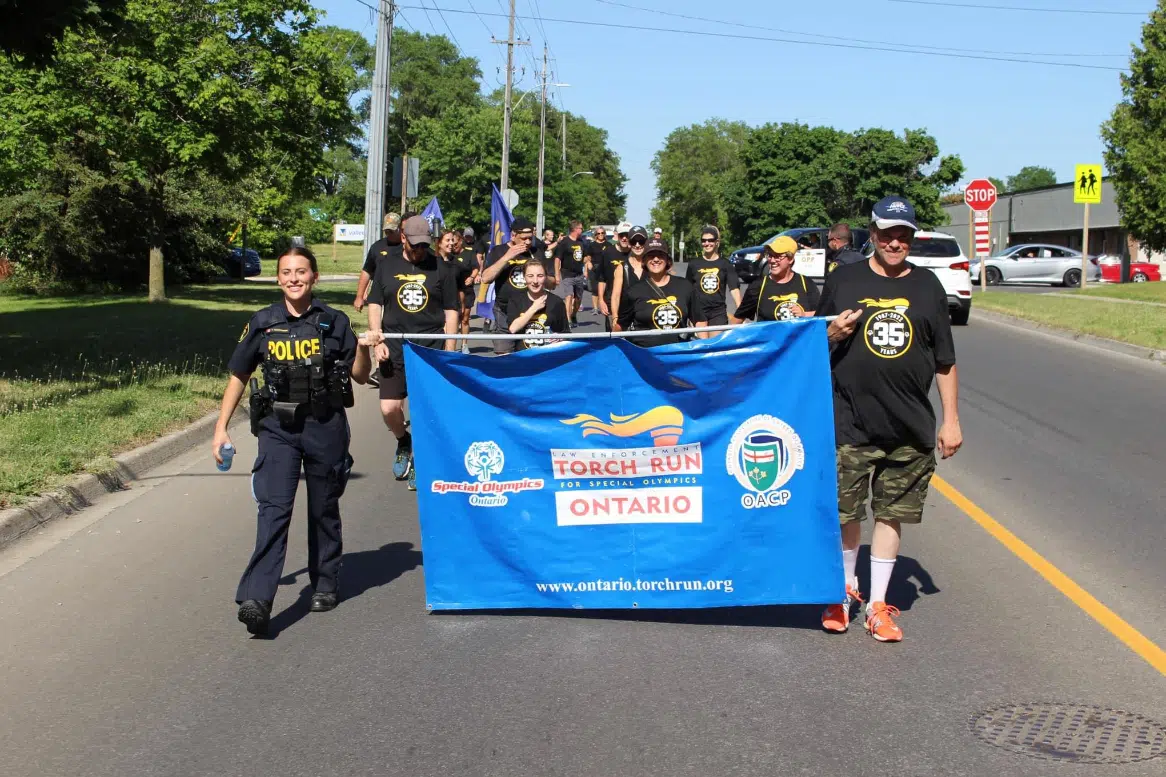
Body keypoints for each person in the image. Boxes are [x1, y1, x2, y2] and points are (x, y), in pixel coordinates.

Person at [816, 195, 962, 642]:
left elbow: (945, 360)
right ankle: (843, 593)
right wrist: (831, 334)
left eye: (904, 234)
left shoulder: (928, 287)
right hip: (850, 421)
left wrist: (950, 419)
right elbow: (811, 345)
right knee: (846, 511)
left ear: (911, 237)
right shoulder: (844, 279)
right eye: (887, 233)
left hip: (909, 424)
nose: (895, 241)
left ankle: (877, 604)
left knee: (892, 513)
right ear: (873, 234)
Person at [212, 246, 357, 636]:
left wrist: (368, 346)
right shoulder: (262, 322)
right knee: (273, 508)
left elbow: (360, 373)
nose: (294, 278)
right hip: (278, 427)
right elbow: (239, 374)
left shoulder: (335, 321)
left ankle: (325, 580)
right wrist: (221, 426)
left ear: (314, 277)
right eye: (286, 272)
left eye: (301, 271)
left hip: (324, 424)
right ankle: (257, 598)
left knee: (323, 507)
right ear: (278, 279)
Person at [367, 215, 460, 492]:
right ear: (403, 237)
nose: (420, 251)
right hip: (393, 347)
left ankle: (423, 460)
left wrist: (450, 349)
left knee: (423, 410)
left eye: (424, 245)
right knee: (389, 408)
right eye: (415, 244)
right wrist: (377, 340)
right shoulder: (386, 265)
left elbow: (452, 310)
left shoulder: (441, 268)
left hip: (429, 349)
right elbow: (374, 304)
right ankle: (403, 440)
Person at [617, 237, 698, 347]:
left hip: (679, 356)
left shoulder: (685, 286)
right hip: (645, 357)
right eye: (651, 255)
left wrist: (702, 352)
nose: (655, 259)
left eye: (660, 255)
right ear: (644, 261)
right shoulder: (634, 291)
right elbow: (620, 327)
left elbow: (700, 322)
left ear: (668, 260)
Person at [479, 217, 537, 354]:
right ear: (513, 235)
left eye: (530, 238)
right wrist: (507, 257)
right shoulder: (498, 251)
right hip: (504, 313)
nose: (528, 242)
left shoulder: (536, 252)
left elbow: (551, 283)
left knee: (530, 357)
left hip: (530, 312)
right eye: (524, 238)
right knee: (503, 357)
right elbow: (486, 278)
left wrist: (542, 276)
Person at [731, 235, 820, 322]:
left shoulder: (806, 283)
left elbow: (822, 314)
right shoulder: (758, 286)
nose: (772, 260)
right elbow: (737, 320)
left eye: (778, 256)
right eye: (770, 255)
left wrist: (804, 314)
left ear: (790, 259)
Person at [685, 225, 742, 337]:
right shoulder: (693, 264)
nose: (707, 243)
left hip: (718, 311)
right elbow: (687, 290)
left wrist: (741, 312)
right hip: (698, 311)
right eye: (704, 240)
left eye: (710, 240)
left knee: (715, 344)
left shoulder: (725, 264)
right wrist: (687, 314)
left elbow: (734, 288)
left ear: (717, 242)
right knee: (703, 345)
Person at [508, 258, 570, 349]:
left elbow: (566, 333)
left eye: (540, 276)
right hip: (522, 358)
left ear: (545, 277)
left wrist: (560, 337)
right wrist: (534, 307)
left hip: (548, 356)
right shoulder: (515, 300)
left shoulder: (557, 302)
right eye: (530, 276)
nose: (535, 281)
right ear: (524, 277)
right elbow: (513, 329)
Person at [354, 212, 402, 311]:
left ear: (400, 228)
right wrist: (359, 296)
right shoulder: (377, 247)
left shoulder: (407, 247)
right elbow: (366, 272)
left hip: (400, 296)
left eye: (392, 231)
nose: (388, 234)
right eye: (387, 231)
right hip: (379, 298)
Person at [609, 225, 648, 332]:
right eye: (634, 241)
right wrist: (615, 318)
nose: (637, 245)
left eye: (641, 241)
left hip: (649, 321)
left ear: (646, 242)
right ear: (629, 244)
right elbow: (616, 296)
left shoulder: (653, 266)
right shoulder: (622, 268)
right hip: (627, 324)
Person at [553, 220, 589, 326]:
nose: (582, 230)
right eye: (581, 228)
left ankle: (573, 314)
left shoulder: (581, 242)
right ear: (575, 229)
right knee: (569, 296)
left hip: (579, 274)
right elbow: (557, 259)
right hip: (567, 273)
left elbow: (586, 256)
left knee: (578, 298)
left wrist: (586, 266)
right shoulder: (564, 242)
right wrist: (556, 274)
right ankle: (568, 320)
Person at [594, 224, 626, 331]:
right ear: (617, 235)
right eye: (622, 235)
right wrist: (601, 300)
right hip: (611, 299)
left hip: (630, 301)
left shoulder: (635, 254)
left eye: (627, 235)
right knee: (613, 335)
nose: (625, 238)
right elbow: (601, 279)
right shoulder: (608, 252)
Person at [455, 230, 481, 341]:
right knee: (453, 320)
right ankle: (450, 346)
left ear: (461, 241)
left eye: (455, 242)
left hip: (467, 291)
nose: (453, 245)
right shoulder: (448, 255)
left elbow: (476, 267)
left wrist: (471, 277)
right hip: (453, 291)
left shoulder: (469, 254)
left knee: (464, 319)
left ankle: (464, 344)